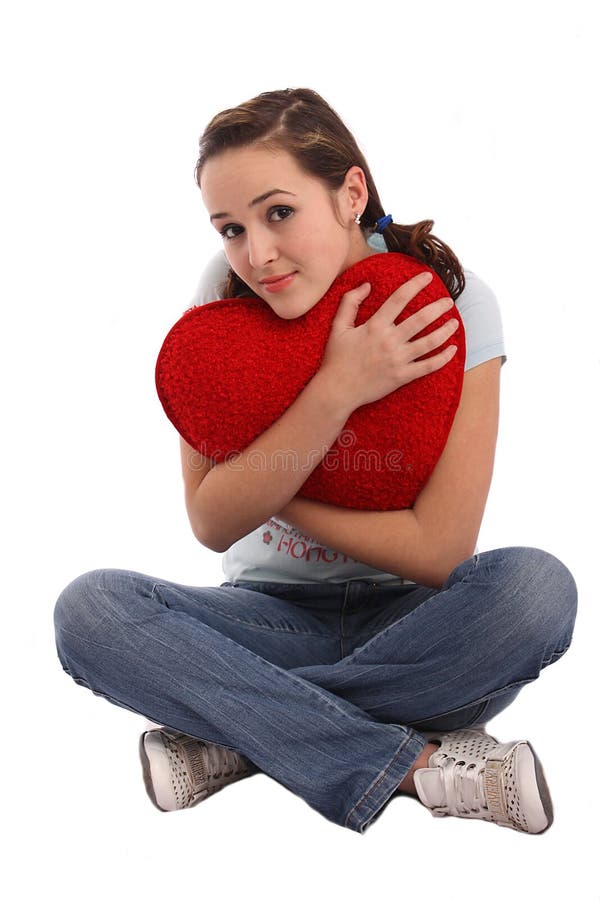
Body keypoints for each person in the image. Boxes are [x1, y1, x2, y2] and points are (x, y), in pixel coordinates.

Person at [53, 87, 577, 835]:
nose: (257, 253)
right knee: (89, 610)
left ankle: (241, 733)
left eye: (278, 213)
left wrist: (261, 476)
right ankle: (415, 767)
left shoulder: (453, 303)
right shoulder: (224, 300)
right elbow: (209, 521)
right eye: (231, 227)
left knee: (535, 589)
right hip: (265, 620)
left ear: (350, 192)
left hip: (418, 630)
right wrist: (335, 390)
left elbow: (440, 550)